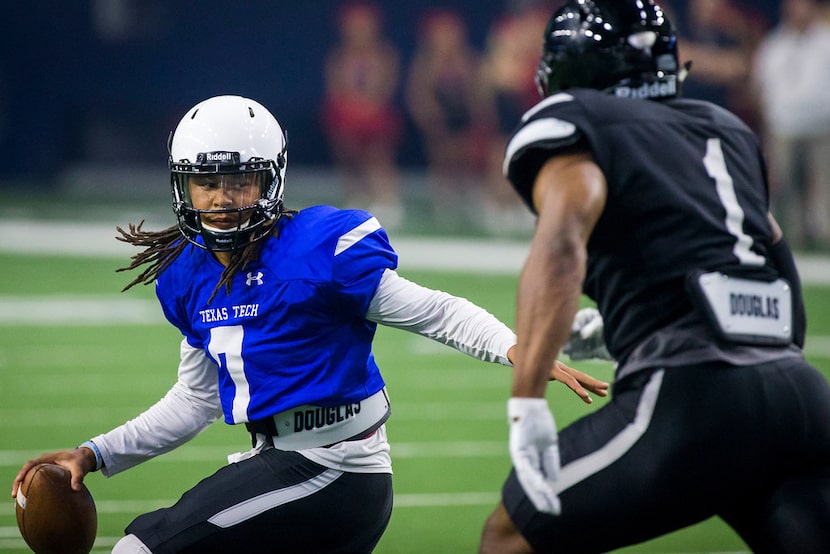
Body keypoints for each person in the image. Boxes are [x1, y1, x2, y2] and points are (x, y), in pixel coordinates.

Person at [11, 95, 608, 553]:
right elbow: (196, 400)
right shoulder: (187, 275)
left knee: (142, 546)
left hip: (334, 471)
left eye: (238, 180)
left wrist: (519, 349)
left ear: (270, 179)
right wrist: (95, 454)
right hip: (276, 463)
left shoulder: (318, 252)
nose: (221, 198)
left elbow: (436, 311)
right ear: (181, 185)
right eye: (207, 181)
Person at [478, 1, 830, 552]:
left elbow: (564, 242)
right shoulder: (723, 131)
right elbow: (777, 264)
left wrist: (527, 404)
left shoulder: (578, 122)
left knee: (508, 536)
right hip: (802, 397)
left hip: (693, 395)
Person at [404, 8, 493, 232]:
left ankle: (474, 198)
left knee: (468, 155)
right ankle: (445, 201)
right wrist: (431, 118)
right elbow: (419, 94)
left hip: (465, 119)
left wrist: (481, 120)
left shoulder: (468, 60)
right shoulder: (426, 63)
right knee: (443, 155)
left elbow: (480, 94)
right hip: (440, 122)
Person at [752, 0, 830, 251]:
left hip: (821, 126)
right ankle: (789, 237)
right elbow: (760, 86)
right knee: (784, 185)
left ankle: (823, 235)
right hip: (783, 126)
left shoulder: (826, 42)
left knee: (822, 185)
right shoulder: (774, 44)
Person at [320, 1, 404, 230]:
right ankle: (356, 193)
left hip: (376, 112)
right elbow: (336, 90)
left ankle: (386, 197)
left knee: (378, 151)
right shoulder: (339, 56)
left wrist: (367, 108)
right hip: (348, 113)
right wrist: (353, 108)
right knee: (344, 133)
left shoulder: (385, 54)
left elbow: (386, 89)